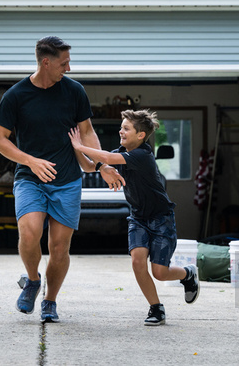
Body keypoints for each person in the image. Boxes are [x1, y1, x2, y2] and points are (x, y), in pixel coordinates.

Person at [0, 36, 125, 323]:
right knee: (29, 232)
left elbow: (87, 132)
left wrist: (101, 162)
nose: (69, 67)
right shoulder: (16, 95)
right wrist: (30, 160)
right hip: (30, 177)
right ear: (46, 62)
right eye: (64, 63)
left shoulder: (74, 91)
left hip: (66, 179)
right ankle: (32, 280)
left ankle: (50, 301)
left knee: (59, 247)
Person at [69, 109, 200, 326]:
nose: (121, 131)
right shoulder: (122, 152)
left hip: (161, 219)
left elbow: (106, 158)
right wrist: (74, 149)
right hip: (138, 218)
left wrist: (80, 146)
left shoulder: (142, 155)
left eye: (126, 128)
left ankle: (187, 274)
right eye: (121, 127)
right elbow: (88, 166)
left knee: (159, 272)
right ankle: (156, 308)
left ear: (140, 135)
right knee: (138, 262)